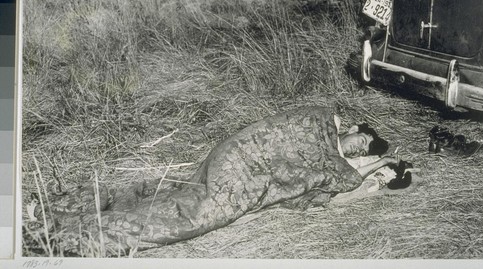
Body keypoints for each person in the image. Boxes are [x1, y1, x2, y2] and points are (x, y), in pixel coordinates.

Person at [26, 106, 400, 256]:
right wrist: (377, 161)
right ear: (352, 128)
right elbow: (327, 165)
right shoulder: (319, 123)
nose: (353, 150)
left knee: (170, 193)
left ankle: (57, 213)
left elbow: (328, 182)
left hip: (244, 172)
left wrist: (376, 167)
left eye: (360, 151)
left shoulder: (329, 158)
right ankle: (68, 238)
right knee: (192, 217)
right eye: (359, 142)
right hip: (239, 163)